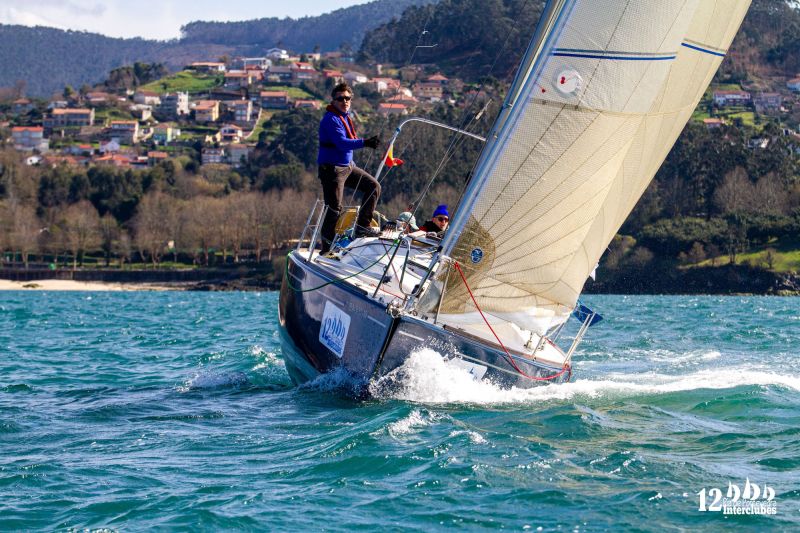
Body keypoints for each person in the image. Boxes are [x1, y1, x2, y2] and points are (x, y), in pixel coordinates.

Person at [317, 82, 381, 253]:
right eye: (340, 99)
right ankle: (326, 248)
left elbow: (347, 141)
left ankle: (362, 227)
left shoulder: (345, 117)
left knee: (373, 186)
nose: (344, 101)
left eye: (348, 98)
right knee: (334, 209)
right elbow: (341, 143)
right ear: (333, 100)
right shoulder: (331, 119)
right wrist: (365, 142)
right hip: (332, 170)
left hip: (347, 167)